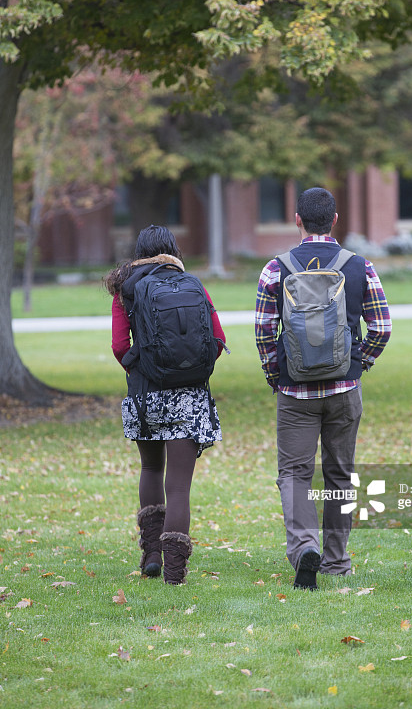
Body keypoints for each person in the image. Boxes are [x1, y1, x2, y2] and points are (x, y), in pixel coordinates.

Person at [255, 187, 391, 590]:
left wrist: (275, 374)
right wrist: (358, 363)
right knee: (340, 474)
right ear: (335, 220)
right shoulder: (360, 266)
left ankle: (303, 549)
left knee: (295, 474)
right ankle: (336, 560)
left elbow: (264, 333)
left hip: (295, 393)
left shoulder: (275, 269)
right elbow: (381, 327)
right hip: (344, 389)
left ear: (296, 220)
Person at [105, 225, 226, 585]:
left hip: (145, 396)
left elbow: (118, 345)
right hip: (188, 395)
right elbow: (218, 340)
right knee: (179, 487)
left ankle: (151, 556)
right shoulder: (192, 283)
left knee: (151, 470)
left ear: (138, 252)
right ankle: (175, 573)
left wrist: (140, 367)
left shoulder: (125, 289)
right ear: (172, 249)